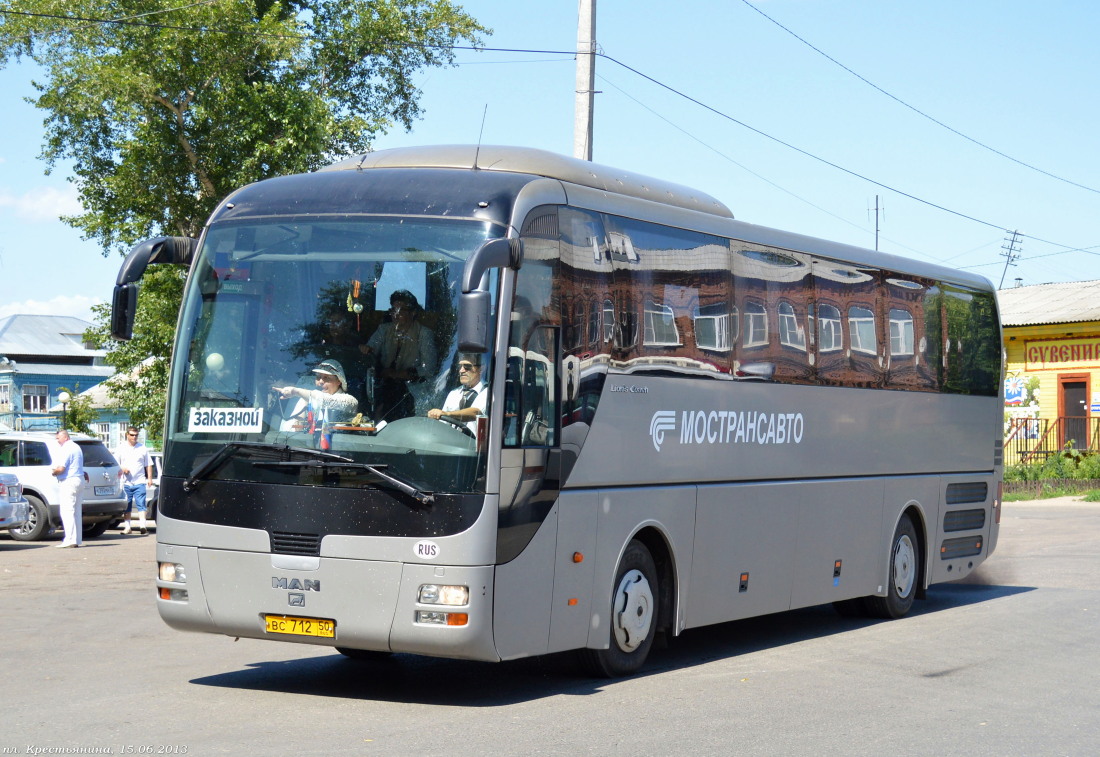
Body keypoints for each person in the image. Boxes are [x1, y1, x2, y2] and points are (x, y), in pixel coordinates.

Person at [363, 290, 437, 420]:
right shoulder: (384, 329)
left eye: (401, 311)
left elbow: (429, 368)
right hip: (383, 387)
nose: (396, 315)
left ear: (413, 313)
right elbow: (370, 352)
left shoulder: (424, 334)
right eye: (393, 310)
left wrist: (400, 374)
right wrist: (364, 349)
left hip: (412, 391)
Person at [274, 359, 359, 427]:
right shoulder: (306, 399)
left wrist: (296, 391)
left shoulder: (350, 401)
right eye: (318, 377)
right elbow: (289, 430)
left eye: (327, 378)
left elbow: (326, 400)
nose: (321, 381)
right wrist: (300, 420)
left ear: (339, 381)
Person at [427, 353, 488, 435]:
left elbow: (475, 412)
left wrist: (447, 414)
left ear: (481, 369)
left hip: (473, 445)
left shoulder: (489, 392)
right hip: (452, 443)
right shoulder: (454, 393)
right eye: (460, 366)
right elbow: (443, 423)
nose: (461, 371)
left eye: (467, 366)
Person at [114, 426, 153, 535]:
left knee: (141, 503)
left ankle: (142, 526)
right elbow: (116, 463)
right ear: (127, 435)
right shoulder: (121, 448)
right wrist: (123, 468)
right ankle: (127, 527)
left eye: (136, 435)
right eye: (132, 435)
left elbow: (148, 464)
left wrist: (149, 478)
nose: (134, 437)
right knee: (127, 505)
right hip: (126, 482)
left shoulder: (142, 448)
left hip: (139, 481)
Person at [51, 429, 84, 548]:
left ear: (65, 437)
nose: (57, 440)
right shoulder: (76, 447)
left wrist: (54, 472)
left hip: (68, 481)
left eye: (58, 438)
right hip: (79, 480)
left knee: (67, 511)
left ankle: (69, 539)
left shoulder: (66, 448)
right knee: (76, 511)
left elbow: (61, 468)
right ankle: (76, 539)